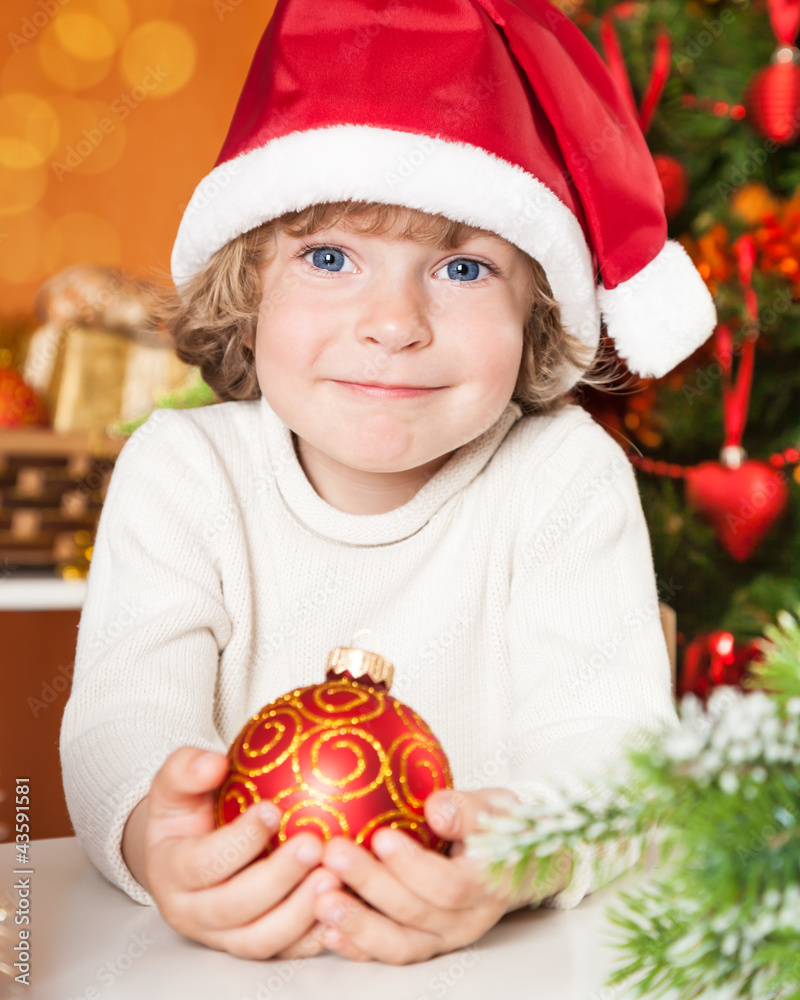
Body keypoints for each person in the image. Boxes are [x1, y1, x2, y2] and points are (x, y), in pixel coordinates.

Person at [60, 0, 717, 967]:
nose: (394, 321)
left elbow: (608, 746)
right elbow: (126, 717)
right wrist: (157, 842)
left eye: (462, 266)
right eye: (330, 258)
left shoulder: (562, 477)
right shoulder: (182, 473)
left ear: (536, 313)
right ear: (246, 296)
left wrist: (519, 859)